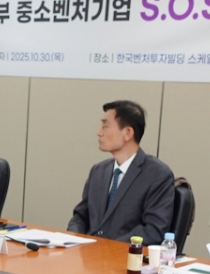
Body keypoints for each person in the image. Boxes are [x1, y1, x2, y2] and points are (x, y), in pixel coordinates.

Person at [67, 100, 174, 246]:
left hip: (125, 255)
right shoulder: (98, 171)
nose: (99, 132)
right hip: (89, 253)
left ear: (127, 133)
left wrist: (107, 249)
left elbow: (153, 230)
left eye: (105, 126)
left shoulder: (157, 175)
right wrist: (73, 238)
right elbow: (80, 216)